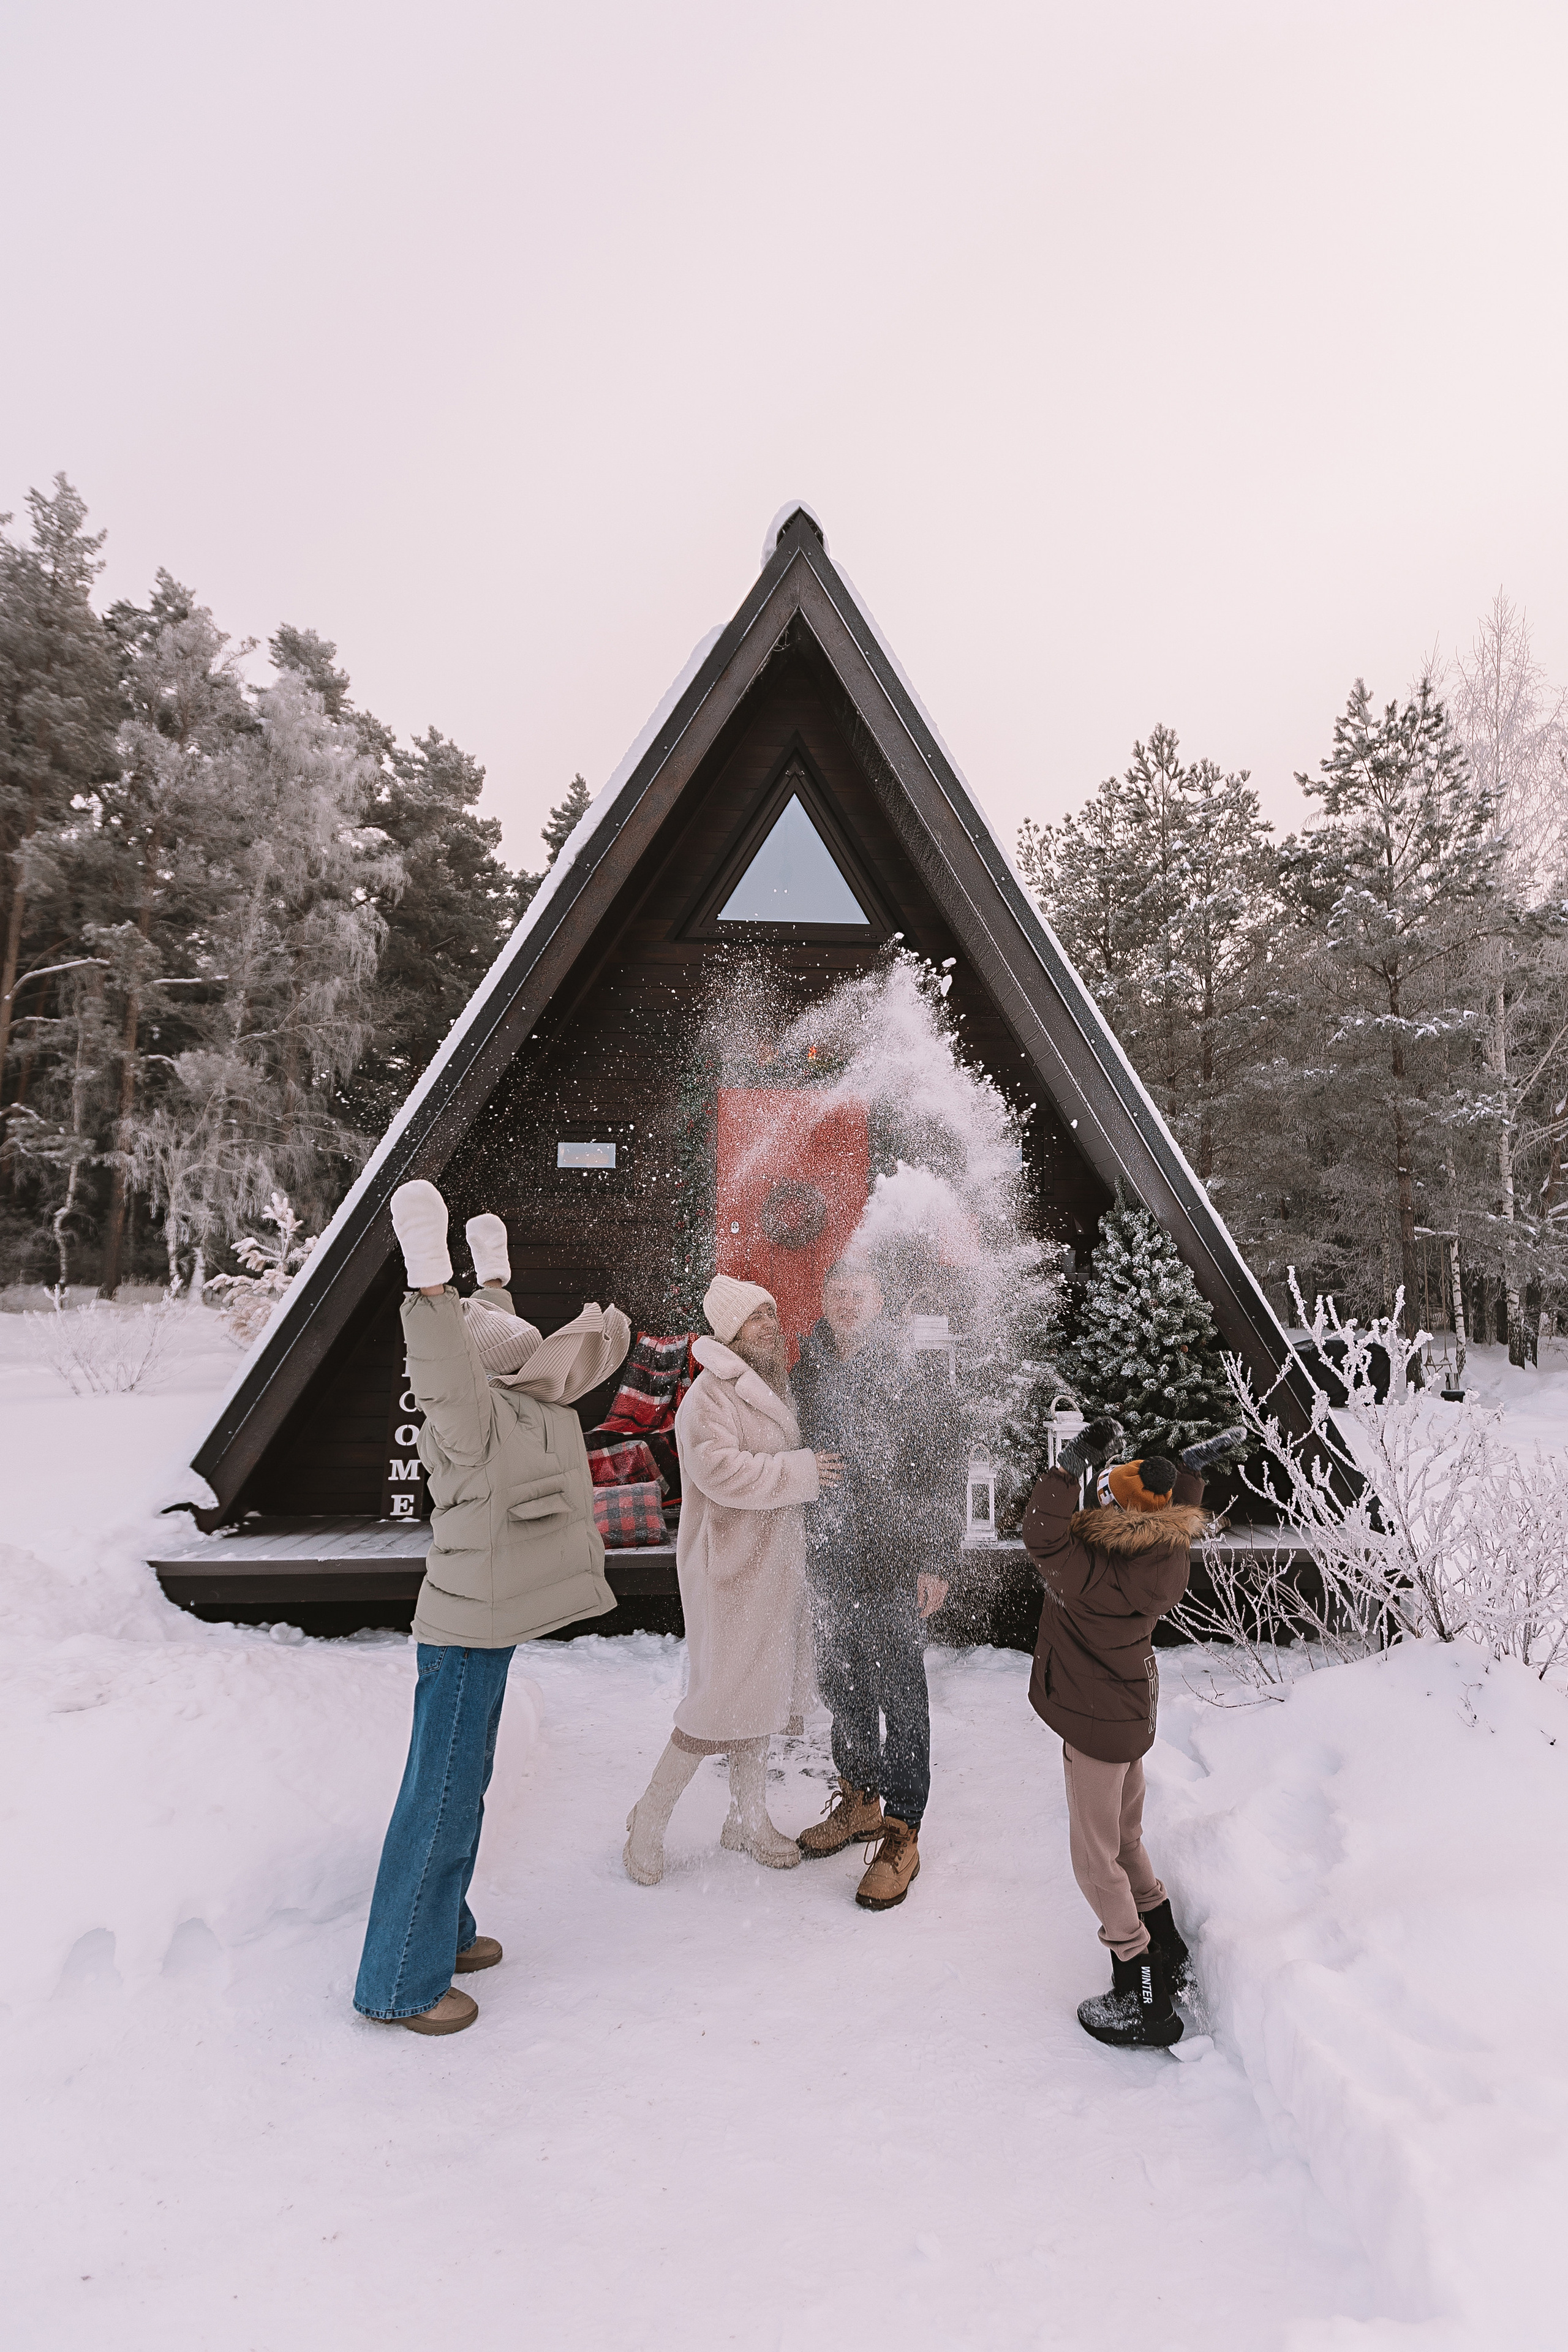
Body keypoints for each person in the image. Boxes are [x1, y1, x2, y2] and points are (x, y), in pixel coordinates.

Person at [354, 1180, 630, 2037]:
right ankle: (401, 1982)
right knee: (439, 1797)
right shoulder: (466, 1417)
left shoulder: (522, 1403)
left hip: (489, 1628)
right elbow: (449, 1360)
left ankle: (447, 1930)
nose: (526, 1354)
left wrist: (495, 1276)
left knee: (460, 1791)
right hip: (465, 1633)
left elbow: (509, 1347)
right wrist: (432, 1282)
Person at [1021, 1419, 1241, 2048]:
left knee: (1095, 1860)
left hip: (1094, 1726)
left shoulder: (1088, 1570)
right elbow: (1168, 1510)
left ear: (1116, 1510)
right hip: (1130, 1716)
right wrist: (1190, 1475)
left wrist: (1066, 1469)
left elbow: (1040, 1533)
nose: (1096, 1498)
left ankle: (1142, 1992)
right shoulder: (1164, 1554)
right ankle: (1165, 1943)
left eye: (1105, 1494)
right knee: (1124, 1838)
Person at [624, 1275, 842, 1884]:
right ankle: (649, 1816)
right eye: (755, 1319)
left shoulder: (771, 1382)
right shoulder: (707, 1398)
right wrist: (799, 1472)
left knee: (761, 1694)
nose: (770, 1324)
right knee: (715, 1704)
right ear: (729, 1333)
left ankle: (746, 1819)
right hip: (728, 1570)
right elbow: (719, 1473)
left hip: (773, 1566)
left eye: (771, 1313)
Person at [790, 1260, 964, 1912]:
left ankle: (902, 1830)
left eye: (858, 1291)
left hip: (894, 1561)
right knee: (842, 1683)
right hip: (827, 1557)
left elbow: (946, 1469)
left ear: (880, 1299)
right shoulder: (805, 1371)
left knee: (899, 1691)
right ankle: (859, 1798)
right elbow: (784, 1445)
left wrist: (937, 1558)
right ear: (826, 1300)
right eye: (837, 1291)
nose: (847, 1301)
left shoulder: (913, 1374)